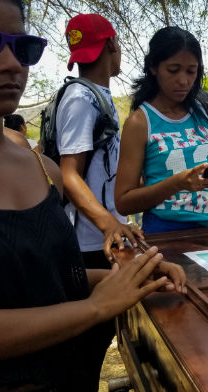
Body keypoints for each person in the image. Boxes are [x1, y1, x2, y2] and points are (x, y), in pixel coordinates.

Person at [0, 0, 185, 390]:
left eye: (24, 47)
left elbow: (50, 280)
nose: (10, 63)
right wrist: (98, 306)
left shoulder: (41, 168)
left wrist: (127, 277)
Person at [114, 26, 208, 234]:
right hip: (168, 239)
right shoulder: (140, 122)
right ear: (154, 67)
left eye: (191, 71)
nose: (183, 81)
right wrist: (176, 184)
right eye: (173, 70)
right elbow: (123, 201)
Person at [56, 13, 141, 269]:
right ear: (112, 44)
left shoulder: (96, 94)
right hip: (90, 244)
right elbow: (69, 175)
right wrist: (108, 223)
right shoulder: (81, 97)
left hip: (107, 235)